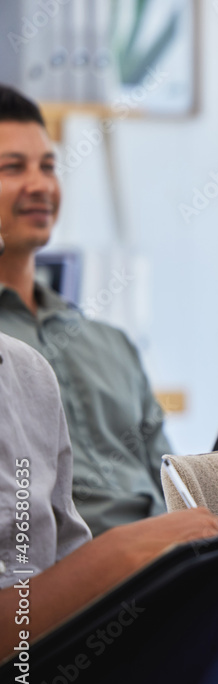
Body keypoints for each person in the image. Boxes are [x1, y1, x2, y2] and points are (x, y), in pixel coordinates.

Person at [0, 220, 218, 684]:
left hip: (59, 641)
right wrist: (119, 553)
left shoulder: (25, 371)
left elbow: (60, 558)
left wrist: (164, 565)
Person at [0, 85, 169, 536]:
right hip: (62, 583)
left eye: (48, 167)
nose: (40, 185)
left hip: (170, 564)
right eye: (13, 168)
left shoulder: (110, 342)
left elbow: (170, 481)